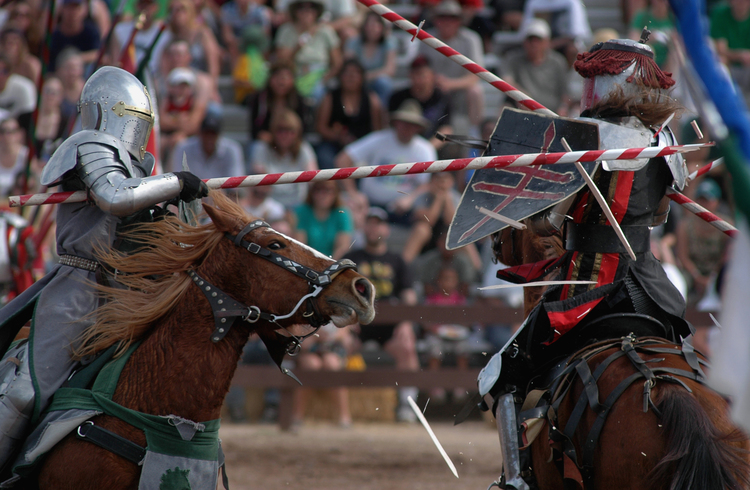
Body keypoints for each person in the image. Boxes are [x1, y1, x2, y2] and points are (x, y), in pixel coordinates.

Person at [466, 37, 693, 488]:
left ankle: (514, 481)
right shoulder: (665, 143)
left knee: (498, 375)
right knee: (680, 365)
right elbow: (663, 211)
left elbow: (548, 223)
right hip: (652, 292)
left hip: (588, 288)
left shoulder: (584, 142)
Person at [0, 66, 208, 443]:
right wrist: (172, 182)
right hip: (80, 289)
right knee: (24, 394)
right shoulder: (90, 145)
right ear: (110, 112)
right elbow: (115, 197)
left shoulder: (140, 170)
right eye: (135, 120)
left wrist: (170, 203)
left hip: (130, 291)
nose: (138, 131)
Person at [343, 207, 420, 423]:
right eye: (370, 223)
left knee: (407, 347)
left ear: (386, 229)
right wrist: (346, 321)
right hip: (357, 323)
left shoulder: (397, 260)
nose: (373, 228)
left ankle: (407, 405)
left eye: (378, 223)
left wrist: (405, 321)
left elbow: (409, 295)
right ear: (363, 227)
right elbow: (338, 294)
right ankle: (341, 408)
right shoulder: (351, 259)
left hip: (390, 326)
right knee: (340, 348)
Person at [334, 99, 436, 223]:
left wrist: (411, 199)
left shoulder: (425, 149)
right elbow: (342, 159)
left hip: (404, 210)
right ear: (396, 123)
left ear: (418, 128)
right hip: (369, 204)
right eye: (404, 122)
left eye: (412, 124)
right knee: (347, 207)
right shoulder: (378, 139)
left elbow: (427, 184)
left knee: (425, 216)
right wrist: (353, 193)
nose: (407, 127)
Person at [418, 0, 484, 131]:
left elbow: (476, 75)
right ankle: (421, 124)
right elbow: (419, 68)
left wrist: (450, 84)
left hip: (460, 91)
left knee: (475, 91)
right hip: (433, 89)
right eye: (443, 17)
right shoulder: (426, 38)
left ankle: (475, 131)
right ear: (436, 19)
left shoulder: (471, 39)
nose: (447, 21)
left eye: (452, 18)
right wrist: (434, 80)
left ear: (459, 21)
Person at [314, 58, 383, 169]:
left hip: (363, 145)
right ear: (340, 76)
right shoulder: (330, 98)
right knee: (325, 157)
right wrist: (337, 137)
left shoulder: (372, 99)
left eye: (356, 73)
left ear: (362, 77)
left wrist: (362, 144)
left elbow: (377, 132)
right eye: (347, 73)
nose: (351, 77)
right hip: (334, 144)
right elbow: (320, 127)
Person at [675, 178, 731, 303]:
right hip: (692, 271)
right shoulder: (685, 226)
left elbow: (726, 256)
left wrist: (713, 277)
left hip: (716, 271)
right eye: (701, 199)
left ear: (717, 202)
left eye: (708, 200)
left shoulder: (727, 225)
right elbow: (683, 256)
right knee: (679, 282)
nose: (704, 204)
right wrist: (697, 277)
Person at [249, 108, 318, 209]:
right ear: (273, 130)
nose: (285, 135)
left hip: (299, 204)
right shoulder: (261, 148)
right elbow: (259, 182)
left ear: (297, 133)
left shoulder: (304, 148)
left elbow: (313, 178)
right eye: (281, 130)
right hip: (268, 204)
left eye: (291, 131)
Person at [274, 0, 342, 102]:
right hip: (295, 75)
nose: (307, 12)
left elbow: (337, 63)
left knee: (319, 93)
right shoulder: (286, 30)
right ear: (295, 11)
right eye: (302, 8)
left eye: (311, 8)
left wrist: (323, 79)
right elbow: (282, 61)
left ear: (317, 12)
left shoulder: (326, 31)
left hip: (320, 75)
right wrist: (298, 46)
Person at [502, 18, 572, 116]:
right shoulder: (513, 59)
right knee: (505, 107)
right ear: (524, 42)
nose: (534, 44)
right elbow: (506, 82)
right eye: (531, 40)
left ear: (547, 42)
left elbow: (565, 93)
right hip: (521, 109)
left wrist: (563, 108)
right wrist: (522, 97)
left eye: (538, 40)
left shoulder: (558, 62)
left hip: (552, 112)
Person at [388, 55, 454, 156]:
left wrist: (425, 150)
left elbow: (446, 129)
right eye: (415, 74)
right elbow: (390, 126)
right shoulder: (397, 97)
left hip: (433, 148)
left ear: (432, 76)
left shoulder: (442, 98)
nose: (419, 79)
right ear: (410, 76)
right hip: (402, 146)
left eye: (422, 74)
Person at [247, 60, 313, 144]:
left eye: (285, 78)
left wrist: (288, 139)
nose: (281, 82)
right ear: (270, 79)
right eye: (277, 77)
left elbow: (303, 129)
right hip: (267, 142)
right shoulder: (260, 99)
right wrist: (266, 137)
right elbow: (255, 130)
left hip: (292, 143)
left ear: (292, 80)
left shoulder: (299, 101)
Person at [170, 105, 245, 179]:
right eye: (206, 134)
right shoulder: (183, 149)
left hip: (223, 191)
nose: (209, 138)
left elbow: (235, 184)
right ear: (200, 134)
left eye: (213, 134)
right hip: (193, 191)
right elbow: (180, 181)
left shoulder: (232, 150)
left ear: (219, 135)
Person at [344, 11, 397, 103]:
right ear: (363, 27)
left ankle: (381, 114)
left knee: (384, 83)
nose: (372, 28)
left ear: (382, 28)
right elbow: (348, 66)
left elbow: (390, 70)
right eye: (369, 24)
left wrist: (368, 76)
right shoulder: (353, 42)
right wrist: (360, 77)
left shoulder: (389, 43)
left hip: (376, 81)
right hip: (357, 80)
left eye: (376, 24)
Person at [159, 67, 209, 162]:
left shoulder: (193, 102)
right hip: (168, 135)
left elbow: (192, 126)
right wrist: (179, 120)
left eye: (185, 86)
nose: (181, 89)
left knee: (178, 141)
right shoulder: (167, 100)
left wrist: (172, 120)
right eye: (178, 85)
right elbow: (161, 121)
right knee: (160, 142)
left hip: (187, 136)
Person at [294, 180, 354, 259]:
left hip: (334, 263)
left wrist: (329, 266)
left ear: (336, 193)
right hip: (307, 262)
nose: (323, 195)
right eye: (318, 190)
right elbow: (300, 246)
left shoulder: (342, 212)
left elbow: (343, 247)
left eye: (328, 190)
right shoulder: (302, 212)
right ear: (312, 192)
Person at [710, 0, 750, 103]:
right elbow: (721, 50)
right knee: (721, 62)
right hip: (729, 66)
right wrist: (740, 55)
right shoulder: (721, 14)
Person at [48, 0, 101, 72]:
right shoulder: (54, 35)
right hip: (60, 75)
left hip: (83, 75)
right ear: (62, 9)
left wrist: (78, 58)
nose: (72, 12)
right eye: (69, 8)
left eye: (76, 8)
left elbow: (98, 54)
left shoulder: (90, 31)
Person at [0, 54, 35, 120]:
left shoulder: (24, 87)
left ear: (10, 73)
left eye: (3, 71)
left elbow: (27, 116)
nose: (0, 76)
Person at [0, 116, 28, 197]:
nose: (7, 135)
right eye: (3, 131)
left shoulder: (26, 155)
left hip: (18, 201)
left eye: (12, 131)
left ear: (19, 134)